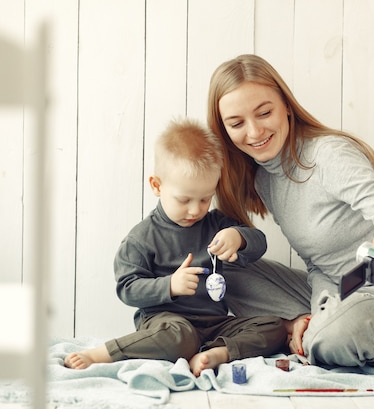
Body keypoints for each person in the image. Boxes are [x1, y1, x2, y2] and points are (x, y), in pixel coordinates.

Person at [207, 54, 374, 367]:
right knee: (221, 269)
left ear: (285, 105)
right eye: (237, 123)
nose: (255, 132)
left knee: (336, 331)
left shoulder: (329, 155)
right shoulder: (264, 179)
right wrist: (322, 309)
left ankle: (319, 333)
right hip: (342, 296)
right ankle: (298, 327)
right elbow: (318, 266)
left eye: (264, 112)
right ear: (224, 130)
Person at [64, 118, 287, 376]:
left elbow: (259, 243)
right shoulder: (142, 237)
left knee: (274, 326)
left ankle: (218, 352)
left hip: (214, 324)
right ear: (157, 186)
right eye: (184, 199)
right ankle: (101, 353)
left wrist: (239, 237)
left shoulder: (216, 225)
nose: (195, 209)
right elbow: (127, 288)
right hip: (166, 324)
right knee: (180, 337)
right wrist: (169, 285)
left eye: (205, 198)